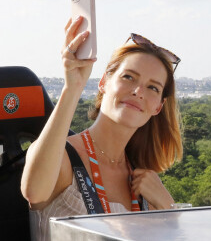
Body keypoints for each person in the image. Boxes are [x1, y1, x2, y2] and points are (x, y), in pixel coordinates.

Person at [21, 16, 183, 241]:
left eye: (153, 88)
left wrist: (168, 206)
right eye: (128, 77)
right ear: (104, 82)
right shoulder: (64, 157)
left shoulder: (144, 179)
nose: (138, 91)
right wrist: (73, 87)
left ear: (158, 107)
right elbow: (33, 191)